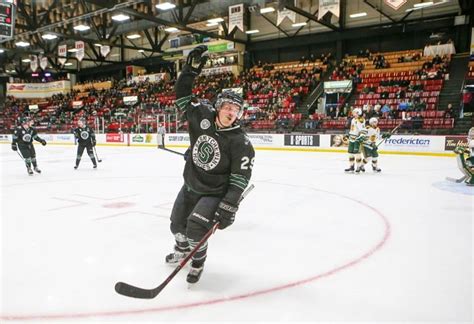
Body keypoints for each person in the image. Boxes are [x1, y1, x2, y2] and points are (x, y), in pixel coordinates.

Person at [166, 45, 255, 284]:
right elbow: (182, 97)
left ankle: (197, 262)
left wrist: (229, 205)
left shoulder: (241, 142)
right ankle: (182, 250)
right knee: (177, 225)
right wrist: (189, 72)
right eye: (227, 107)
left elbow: (239, 179)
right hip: (190, 184)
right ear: (218, 106)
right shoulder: (201, 115)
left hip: (214, 192)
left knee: (195, 229)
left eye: (235, 109)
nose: (231, 112)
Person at [345, 108, 366, 173]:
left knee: (357, 153)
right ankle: (351, 166)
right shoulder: (353, 119)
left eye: (354, 112)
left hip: (357, 139)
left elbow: (363, 130)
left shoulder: (360, 120)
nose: (353, 113)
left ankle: (358, 167)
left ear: (358, 113)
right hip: (351, 138)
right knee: (350, 153)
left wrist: (361, 137)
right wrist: (349, 134)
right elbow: (352, 129)